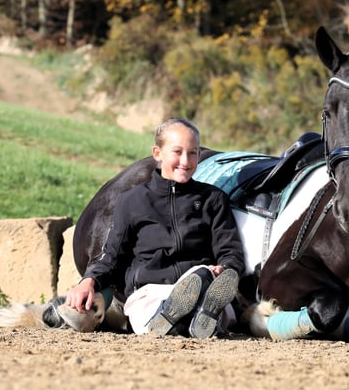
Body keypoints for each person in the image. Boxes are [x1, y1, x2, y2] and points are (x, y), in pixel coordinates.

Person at [64, 117, 245, 338]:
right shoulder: (131, 201)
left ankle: (187, 319)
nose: (185, 161)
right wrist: (87, 281)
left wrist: (225, 268)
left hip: (204, 289)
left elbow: (231, 252)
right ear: (157, 153)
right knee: (179, 299)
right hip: (151, 292)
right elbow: (111, 256)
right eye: (177, 152)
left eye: (193, 153)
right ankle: (180, 319)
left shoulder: (214, 199)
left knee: (203, 276)